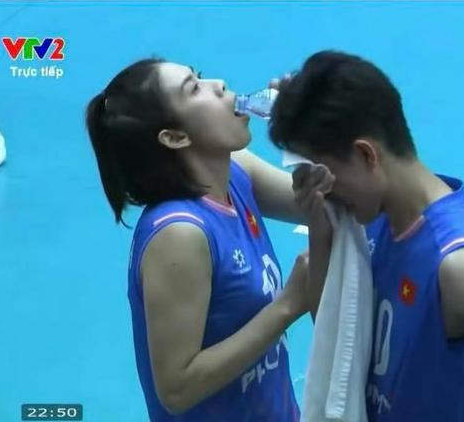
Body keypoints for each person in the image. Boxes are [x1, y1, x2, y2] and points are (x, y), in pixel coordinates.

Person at [268, 50, 464, 422]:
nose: (325, 190)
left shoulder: (459, 263)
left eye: (326, 175)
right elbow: (336, 334)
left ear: (366, 155)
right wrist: (319, 228)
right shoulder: (369, 217)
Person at [85, 58, 328, 421]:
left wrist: (305, 133)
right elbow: (177, 389)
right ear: (175, 137)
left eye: (199, 77)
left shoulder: (235, 171)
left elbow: (324, 204)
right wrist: (288, 306)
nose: (219, 84)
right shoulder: (179, 234)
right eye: (194, 88)